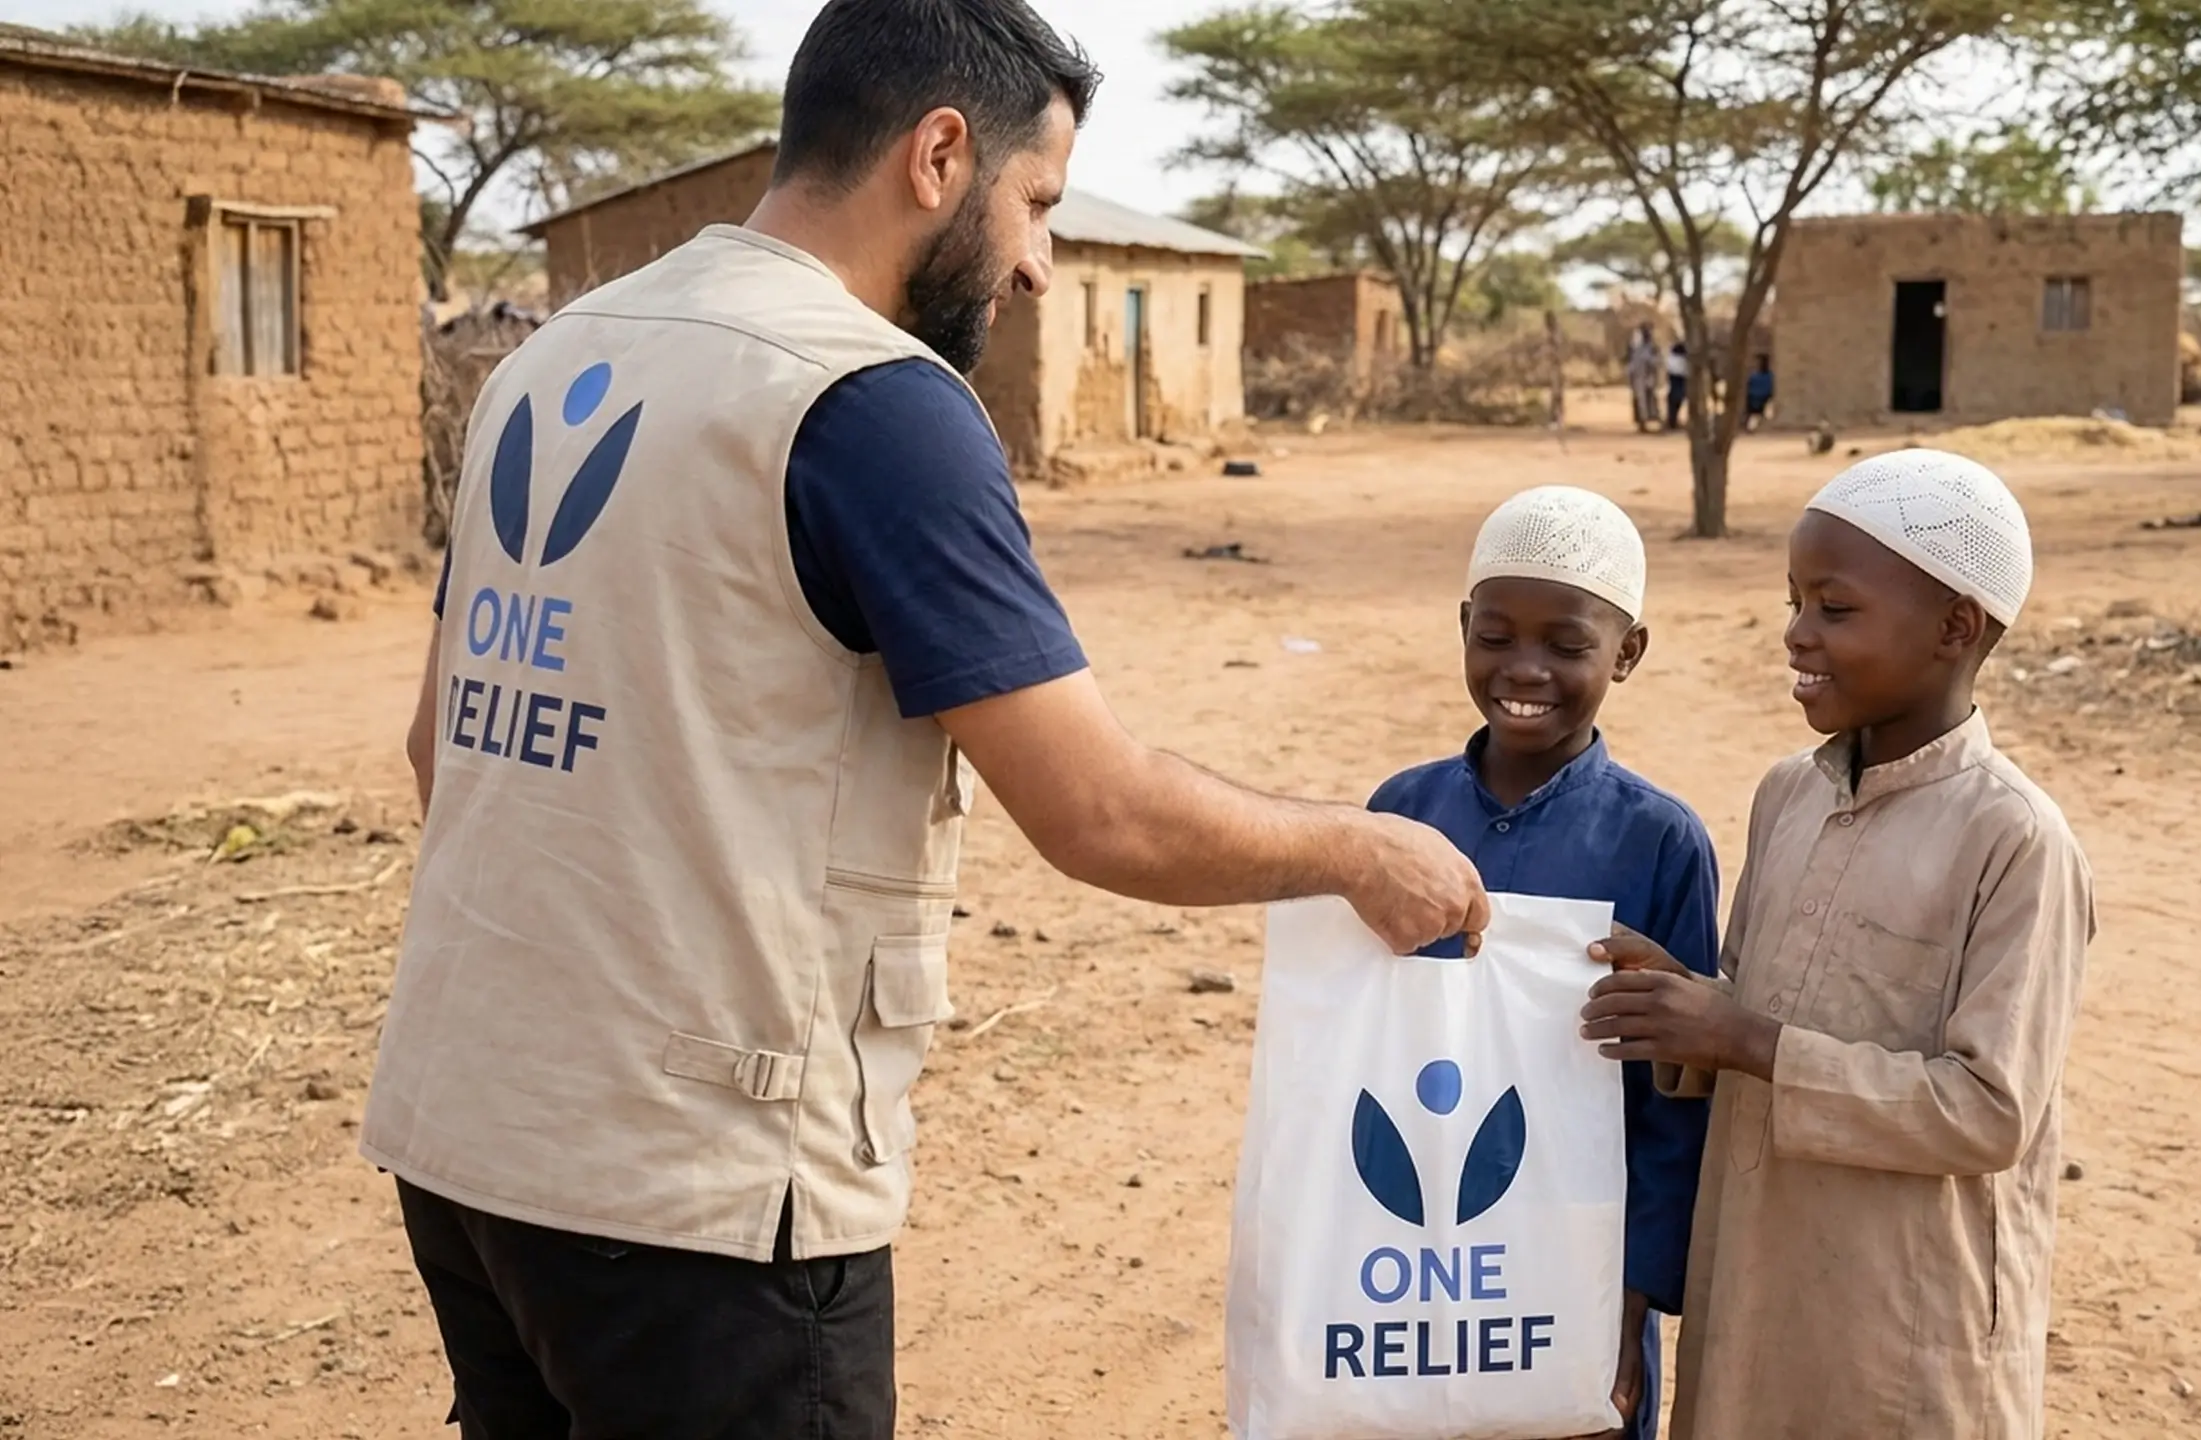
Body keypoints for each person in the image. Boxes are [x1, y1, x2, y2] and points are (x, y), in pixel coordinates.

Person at [365, 2, 1487, 1435]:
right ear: (940, 154)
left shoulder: (546, 360)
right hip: (700, 1199)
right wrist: (1356, 849)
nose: (1037, 264)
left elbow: (442, 751)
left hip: (466, 1141)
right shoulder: (872, 401)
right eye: (1039, 203)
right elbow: (1099, 810)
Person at [1580, 450, 2095, 1437]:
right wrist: (1684, 1002)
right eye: (1794, 601)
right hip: (1759, 1285)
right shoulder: (1790, 795)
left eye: (1834, 608)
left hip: (1904, 1325)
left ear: (1955, 628)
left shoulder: (2016, 840)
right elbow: (1756, 1005)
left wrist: (1744, 1039)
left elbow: (1989, 1113)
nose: (1796, 633)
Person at [1369, 486, 1717, 1440]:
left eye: (1566, 646)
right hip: (1409, 1240)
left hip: (1578, 1253)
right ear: (1463, 629)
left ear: (1627, 653)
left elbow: (1676, 1099)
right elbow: (1361, 1038)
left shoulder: (1659, 841)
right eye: (1495, 636)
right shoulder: (1399, 816)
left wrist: (1630, 1304)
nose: (1524, 669)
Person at [1626, 323, 1662, 432]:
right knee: (1641, 400)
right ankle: (1642, 423)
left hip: (1645, 375)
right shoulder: (1637, 346)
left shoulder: (1650, 346)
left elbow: (1656, 361)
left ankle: (1646, 421)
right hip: (1640, 375)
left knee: (1648, 399)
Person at [1743, 355, 1774, 432]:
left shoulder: (1756, 376)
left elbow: (1750, 385)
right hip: (1760, 395)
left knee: (1755, 413)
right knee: (1756, 413)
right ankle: (1752, 427)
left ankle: (1751, 427)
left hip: (1756, 396)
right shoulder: (1767, 376)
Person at [1663, 342, 1689, 431]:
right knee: (1677, 400)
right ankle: (1672, 421)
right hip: (1679, 378)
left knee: (1673, 401)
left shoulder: (1672, 357)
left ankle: (1672, 421)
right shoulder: (1681, 358)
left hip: (1674, 377)